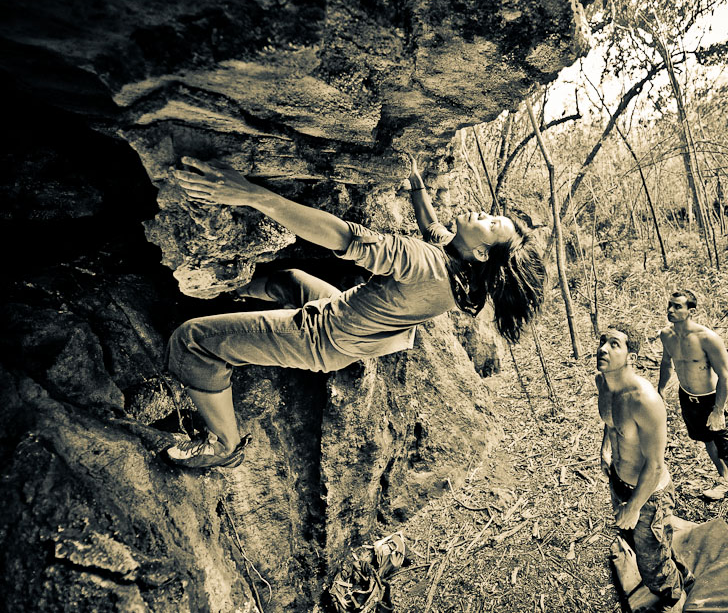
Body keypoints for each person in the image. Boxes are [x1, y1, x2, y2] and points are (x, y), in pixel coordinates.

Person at [164, 155, 545, 468]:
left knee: (191, 341)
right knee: (291, 279)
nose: (484, 213)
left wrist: (252, 195)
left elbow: (343, 236)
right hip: (349, 328)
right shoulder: (466, 278)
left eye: (492, 224)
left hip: (321, 336)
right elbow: (432, 227)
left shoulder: (423, 262)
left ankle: (225, 446)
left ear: (483, 252)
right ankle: (219, 292)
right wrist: (416, 185)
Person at [597, 324, 688, 609]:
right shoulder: (603, 383)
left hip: (649, 494)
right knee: (638, 545)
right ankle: (678, 571)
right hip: (619, 481)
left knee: (652, 564)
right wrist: (605, 448)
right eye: (602, 341)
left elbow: (656, 465)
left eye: (614, 344)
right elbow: (609, 421)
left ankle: (674, 598)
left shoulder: (645, 400)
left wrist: (634, 507)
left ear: (631, 357)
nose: (602, 349)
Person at [657, 290, 728, 537]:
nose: (671, 310)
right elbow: (666, 363)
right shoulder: (666, 335)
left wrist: (718, 410)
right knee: (706, 440)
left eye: (677, 306)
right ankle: (722, 479)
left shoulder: (707, 338)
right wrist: (659, 390)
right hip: (688, 397)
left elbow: (725, 375)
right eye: (670, 305)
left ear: (691, 311)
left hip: (712, 399)